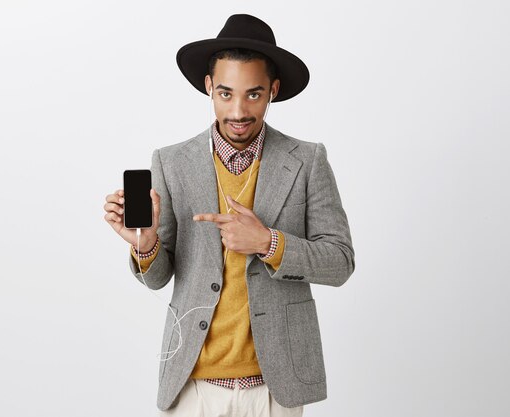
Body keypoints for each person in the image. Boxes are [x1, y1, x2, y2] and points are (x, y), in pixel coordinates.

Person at [103, 13, 355, 417]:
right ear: (209, 88)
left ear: (273, 90)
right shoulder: (171, 163)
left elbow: (340, 262)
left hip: (276, 386)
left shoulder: (307, 161)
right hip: (192, 383)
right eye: (226, 94)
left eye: (253, 95)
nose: (238, 110)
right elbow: (158, 278)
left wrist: (268, 243)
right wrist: (146, 245)